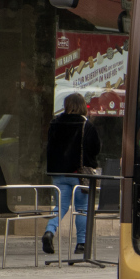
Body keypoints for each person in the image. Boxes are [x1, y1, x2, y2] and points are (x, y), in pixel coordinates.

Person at [42, 92, 101, 254]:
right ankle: (81, 243)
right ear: (83, 106)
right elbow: (95, 148)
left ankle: (49, 232)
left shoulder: (55, 123)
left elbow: (50, 148)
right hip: (79, 174)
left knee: (60, 206)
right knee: (82, 208)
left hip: (58, 174)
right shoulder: (86, 125)